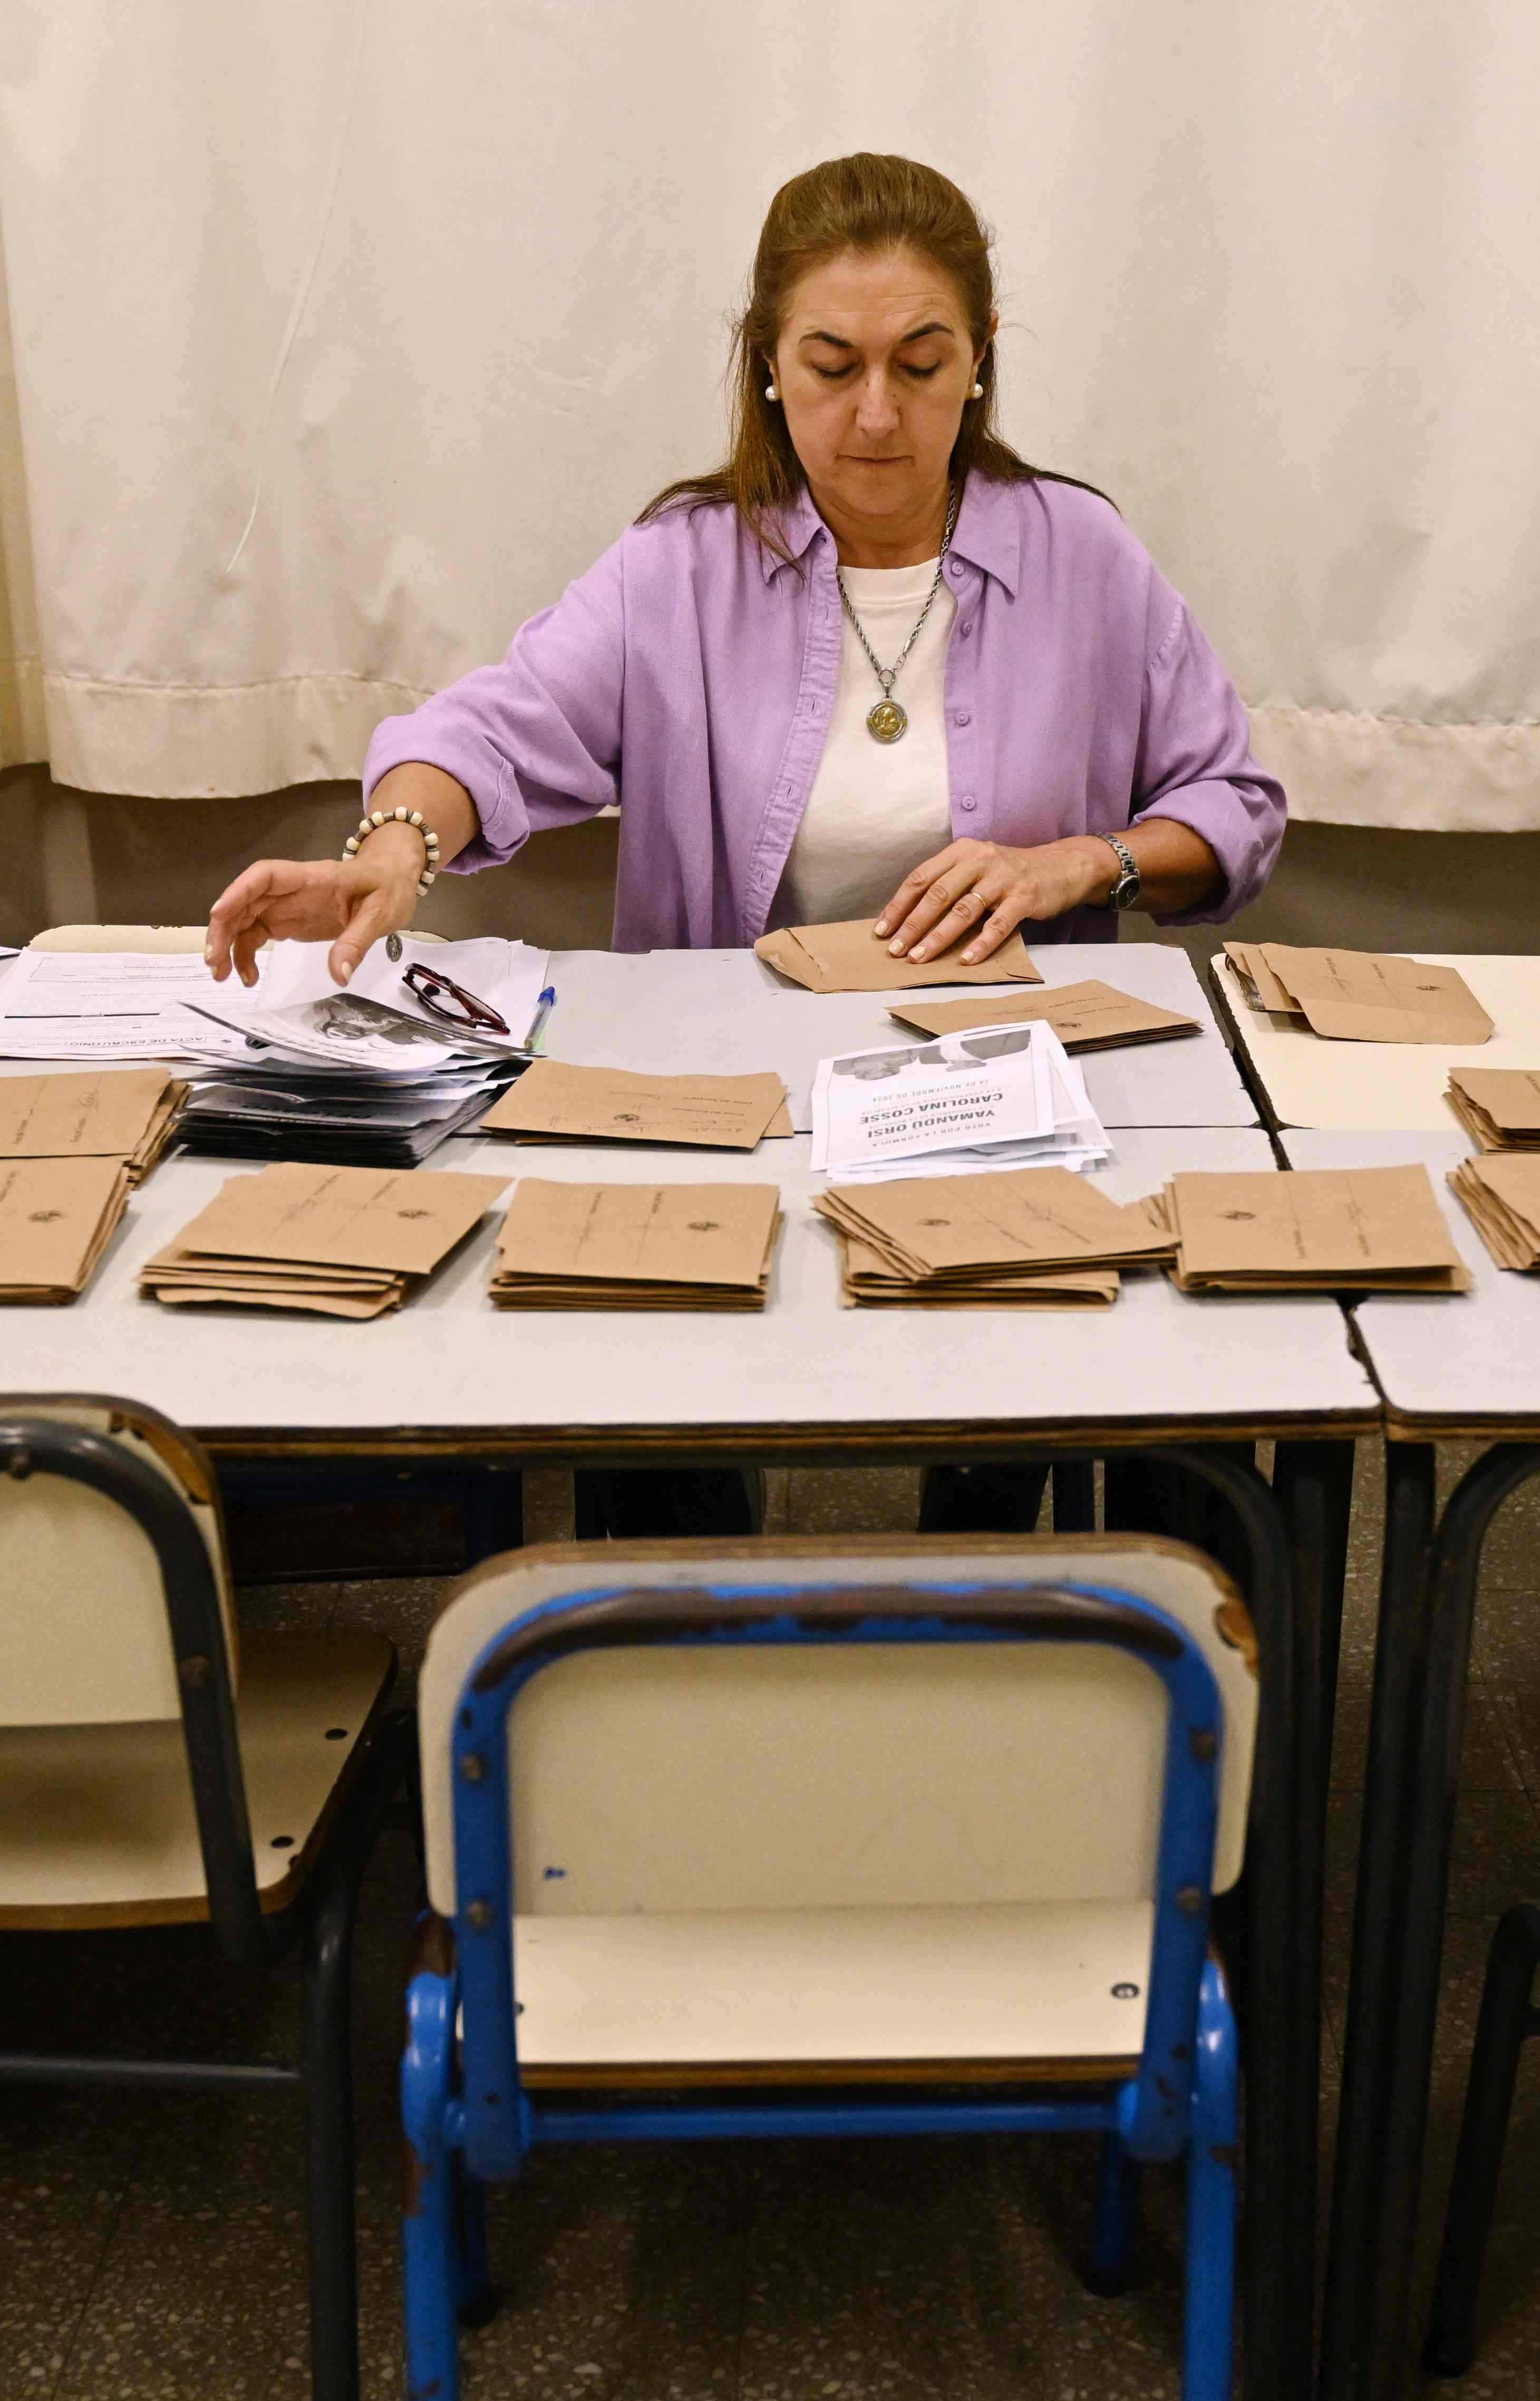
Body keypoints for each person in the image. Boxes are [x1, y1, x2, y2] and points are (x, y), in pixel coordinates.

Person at [203, 152, 1287, 1540]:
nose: (877, 414)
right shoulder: (684, 564)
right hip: (728, 1090)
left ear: (981, 367)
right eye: (831, 365)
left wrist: (1088, 863)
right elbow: (490, 730)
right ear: (769, 367)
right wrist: (397, 844)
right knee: (651, 1383)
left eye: (920, 362)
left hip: (997, 1093)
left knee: (1075, 1401)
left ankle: (1002, 1605)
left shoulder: (1081, 555)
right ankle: (678, 1641)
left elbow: (1235, 805)